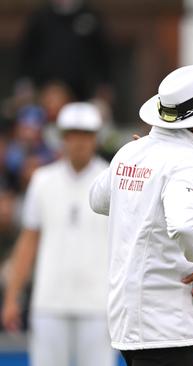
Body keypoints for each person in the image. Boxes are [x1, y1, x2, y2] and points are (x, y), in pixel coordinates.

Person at [88, 65, 193, 365]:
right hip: (167, 321)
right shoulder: (187, 162)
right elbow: (186, 225)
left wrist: (134, 164)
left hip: (130, 320)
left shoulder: (131, 152)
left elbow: (99, 199)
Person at [2, 102, 114, 366]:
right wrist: (11, 297)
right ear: (62, 138)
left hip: (98, 304)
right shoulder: (43, 181)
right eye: (72, 134)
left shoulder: (111, 180)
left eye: (86, 134)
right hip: (50, 301)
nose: (79, 142)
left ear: (95, 138)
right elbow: (29, 241)